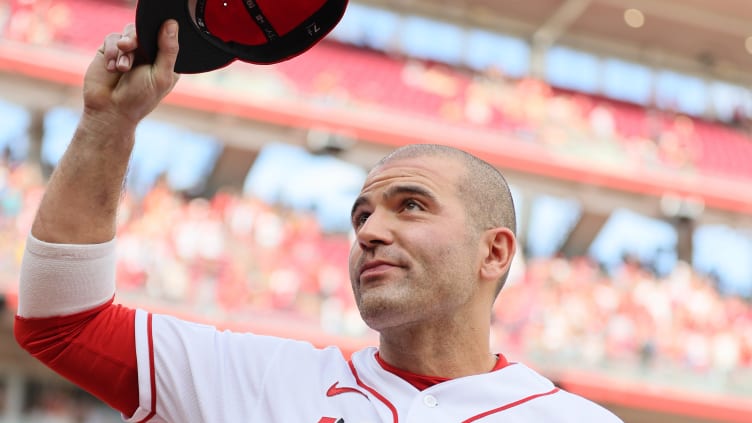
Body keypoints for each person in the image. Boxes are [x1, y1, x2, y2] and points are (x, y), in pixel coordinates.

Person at [14, 20, 623, 422]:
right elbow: (62, 323)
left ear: (494, 253)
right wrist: (108, 124)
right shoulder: (262, 384)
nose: (370, 231)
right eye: (362, 213)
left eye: (411, 205)